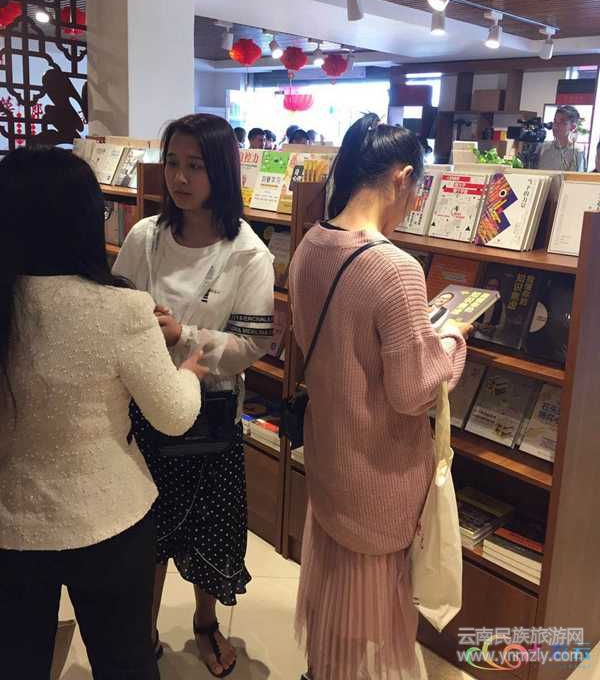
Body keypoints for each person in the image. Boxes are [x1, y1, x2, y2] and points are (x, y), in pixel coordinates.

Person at [0, 148, 207, 680]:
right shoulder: (121, 309)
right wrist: (190, 372)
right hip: (108, 516)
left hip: (10, 525)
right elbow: (174, 416)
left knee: (16, 661)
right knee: (124, 662)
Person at [289, 113, 468, 680]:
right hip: (378, 476)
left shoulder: (311, 242)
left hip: (330, 459)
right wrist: (452, 341)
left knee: (335, 604)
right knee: (375, 620)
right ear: (402, 176)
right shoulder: (395, 268)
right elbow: (415, 391)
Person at [114, 113, 275, 678]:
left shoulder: (247, 252)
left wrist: (182, 334)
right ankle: (143, 631)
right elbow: (116, 306)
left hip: (210, 413)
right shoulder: (145, 236)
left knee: (210, 526)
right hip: (146, 403)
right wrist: (143, 322)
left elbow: (253, 344)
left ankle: (206, 626)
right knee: (146, 528)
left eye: (196, 166)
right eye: (173, 163)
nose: (180, 178)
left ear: (222, 172)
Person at [536, 105, 585, 171]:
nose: (556, 125)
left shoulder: (576, 152)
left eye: (562, 123)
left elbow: (576, 176)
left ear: (573, 127)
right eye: (555, 121)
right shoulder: (544, 147)